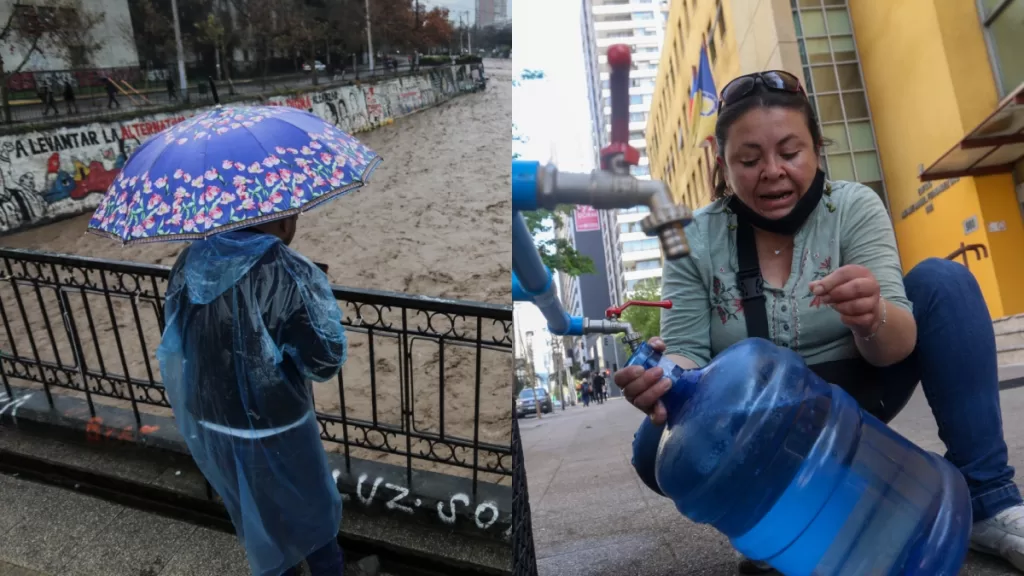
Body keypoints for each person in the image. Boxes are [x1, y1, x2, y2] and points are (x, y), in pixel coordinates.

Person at [614, 70, 1024, 574]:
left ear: (816, 149)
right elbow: (688, 353)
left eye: (790, 153)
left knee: (944, 282)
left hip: (861, 385)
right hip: (759, 417)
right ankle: (770, 508)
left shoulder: (852, 207)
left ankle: (991, 499)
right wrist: (660, 380)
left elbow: (894, 347)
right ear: (722, 163)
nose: (772, 172)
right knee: (655, 447)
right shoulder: (692, 238)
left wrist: (871, 317)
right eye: (749, 159)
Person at [157, 216, 372, 576]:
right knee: (311, 513)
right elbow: (324, 362)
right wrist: (317, 303)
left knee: (260, 519)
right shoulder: (287, 271)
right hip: (278, 427)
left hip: (212, 422)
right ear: (284, 220)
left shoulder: (190, 260)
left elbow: (177, 336)